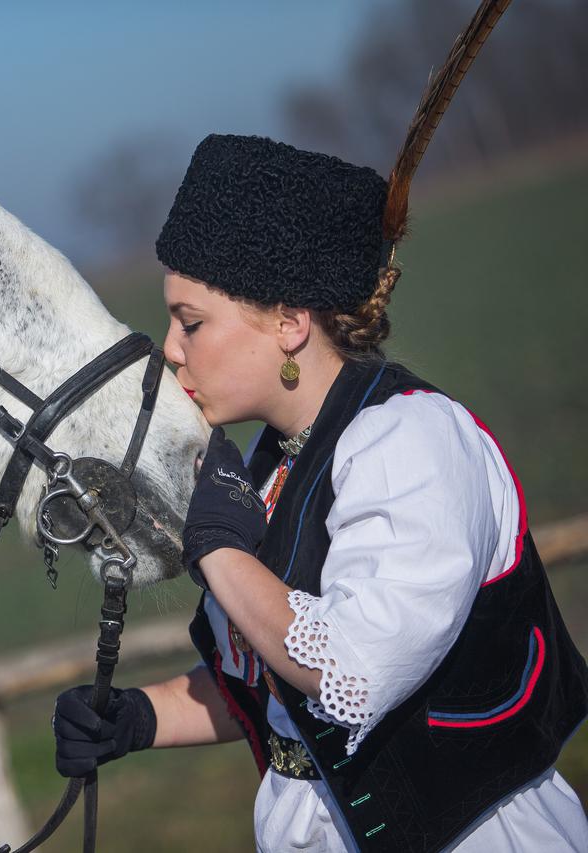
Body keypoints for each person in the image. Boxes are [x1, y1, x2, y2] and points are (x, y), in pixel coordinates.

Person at [51, 131, 588, 852]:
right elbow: (278, 677)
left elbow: (346, 674)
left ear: (288, 322)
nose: (171, 348)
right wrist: (138, 717)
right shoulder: (275, 465)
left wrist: (215, 549)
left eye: (192, 323)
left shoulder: (408, 444)